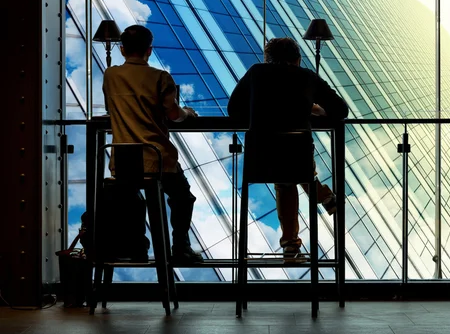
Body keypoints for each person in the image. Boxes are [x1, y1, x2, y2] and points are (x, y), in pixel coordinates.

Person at [227, 37, 349, 257]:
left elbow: (233, 110)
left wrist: (259, 112)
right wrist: (311, 108)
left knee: (284, 180)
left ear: (267, 58)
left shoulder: (256, 73)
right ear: (298, 59)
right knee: (296, 169)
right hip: (298, 156)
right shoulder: (307, 78)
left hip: (262, 156)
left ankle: (291, 243)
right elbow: (340, 110)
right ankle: (324, 198)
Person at [102, 24, 203, 263]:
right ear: (149, 50)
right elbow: (173, 115)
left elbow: (109, 108)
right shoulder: (160, 77)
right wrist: (187, 113)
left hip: (124, 161)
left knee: (132, 195)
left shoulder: (111, 75)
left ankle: (138, 248)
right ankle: (180, 248)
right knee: (183, 198)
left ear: (122, 49)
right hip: (157, 159)